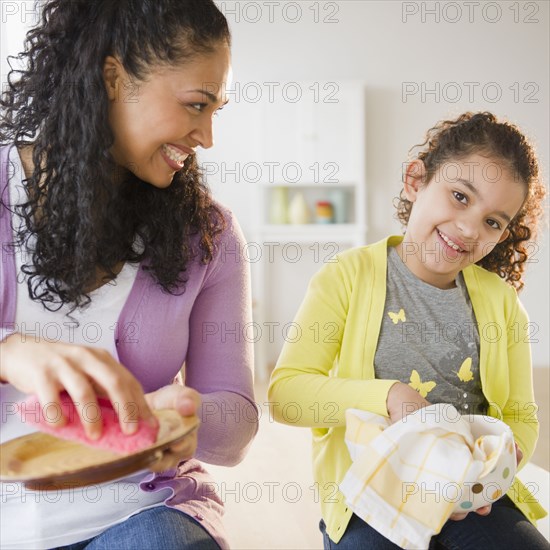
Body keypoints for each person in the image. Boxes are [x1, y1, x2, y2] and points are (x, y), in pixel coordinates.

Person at [0, 1, 258, 549]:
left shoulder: (207, 235)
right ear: (114, 78)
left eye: (217, 110)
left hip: (140, 513)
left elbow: (234, 425)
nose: (207, 136)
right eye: (196, 105)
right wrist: (11, 351)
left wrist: (182, 413)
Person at [268, 112, 548, 549]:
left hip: (467, 492)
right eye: (459, 196)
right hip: (371, 493)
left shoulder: (501, 304)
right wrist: (389, 396)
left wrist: (494, 471)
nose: (470, 228)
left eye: (494, 222)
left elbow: (520, 416)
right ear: (416, 180)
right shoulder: (346, 277)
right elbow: (287, 396)